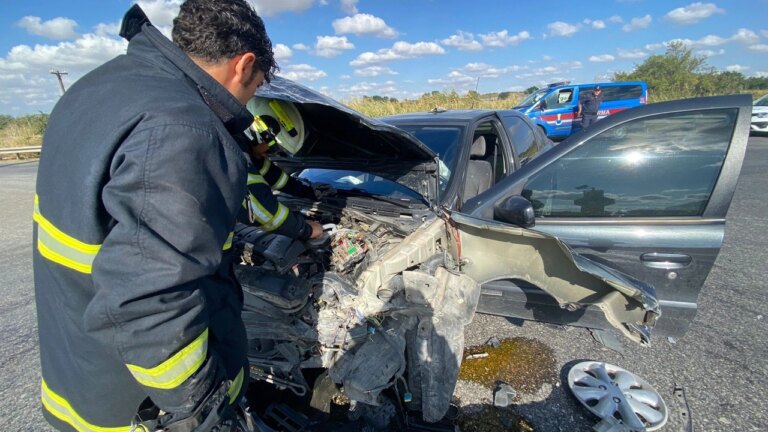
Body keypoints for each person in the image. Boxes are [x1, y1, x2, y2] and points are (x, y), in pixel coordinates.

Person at [33, 1, 278, 430]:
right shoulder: (185, 129)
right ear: (244, 65)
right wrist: (203, 410)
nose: (249, 100)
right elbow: (151, 302)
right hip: (142, 404)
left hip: (82, 371)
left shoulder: (102, 86)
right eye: (256, 86)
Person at [236, 116, 323, 240]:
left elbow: (276, 177)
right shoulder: (236, 155)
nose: (268, 154)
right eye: (270, 148)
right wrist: (306, 230)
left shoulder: (250, 153)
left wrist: (309, 192)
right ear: (257, 137)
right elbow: (262, 210)